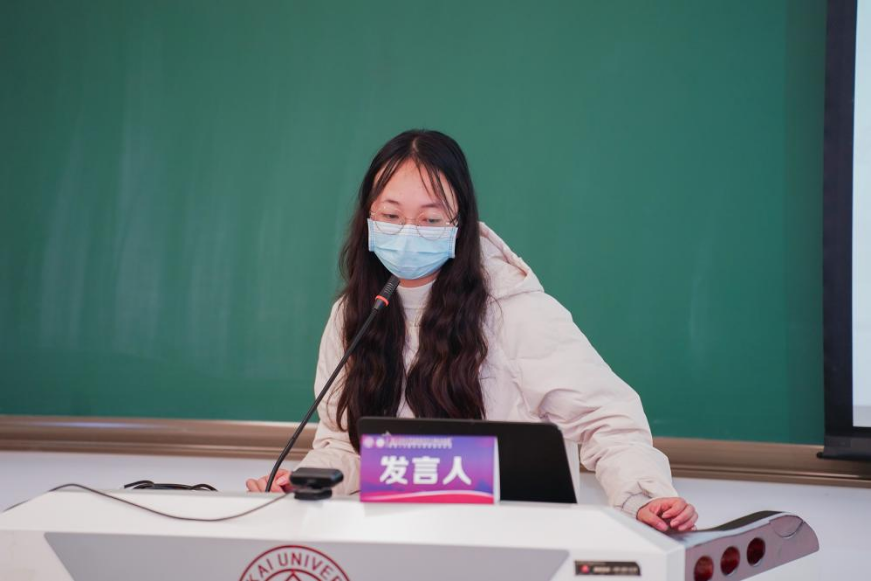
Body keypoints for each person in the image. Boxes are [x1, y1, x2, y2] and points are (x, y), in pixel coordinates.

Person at [247, 129, 698, 532]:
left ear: (458, 225)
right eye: (391, 216)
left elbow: (607, 421)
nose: (408, 233)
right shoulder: (354, 314)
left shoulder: (516, 311)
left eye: (430, 219)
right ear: (367, 217)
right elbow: (345, 443)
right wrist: (308, 480)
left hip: (507, 538)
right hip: (392, 536)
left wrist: (644, 494)